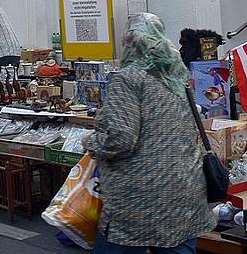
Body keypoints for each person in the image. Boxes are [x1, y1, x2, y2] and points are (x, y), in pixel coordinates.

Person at [82, 13, 215, 254]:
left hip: (139, 197)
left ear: (130, 42)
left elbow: (121, 139)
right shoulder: (178, 76)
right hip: (185, 189)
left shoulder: (128, 78)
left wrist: (91, 142)